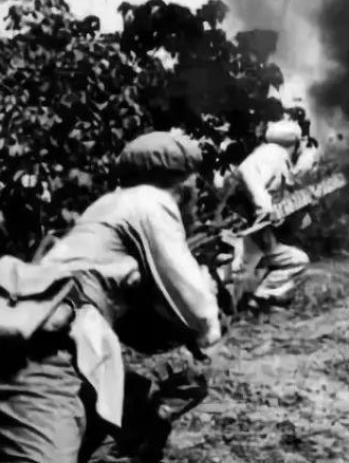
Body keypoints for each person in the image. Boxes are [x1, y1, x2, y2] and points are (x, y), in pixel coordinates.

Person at [0, 130, 223, 462]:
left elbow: (134, 321)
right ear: (185, 186)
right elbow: (197, 310)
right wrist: (211, 299)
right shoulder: (152, 201)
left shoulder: (106, 206)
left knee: (137, 414)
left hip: (58, 339)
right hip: (50, 352)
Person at [232, 119, 312, 312]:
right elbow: (247, 173)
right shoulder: (275, 156)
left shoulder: (266, 154)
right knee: (235, 278)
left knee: (297, 260)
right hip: (244, 233)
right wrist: (265, 209)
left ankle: (261, 299)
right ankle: (246, 305)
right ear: (295, 143)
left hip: (256, 233)